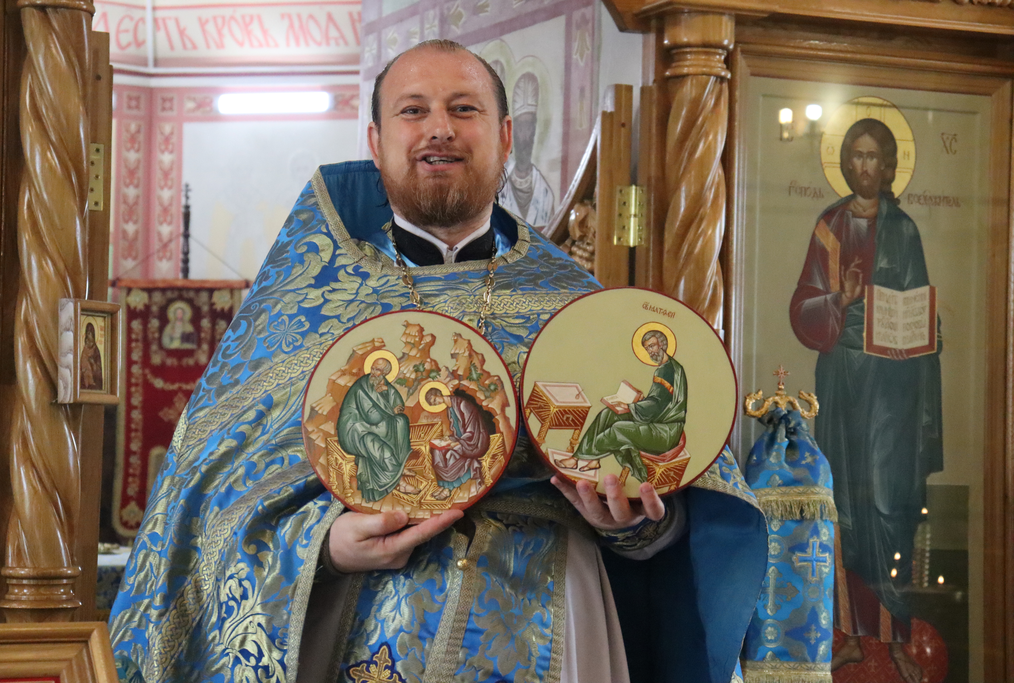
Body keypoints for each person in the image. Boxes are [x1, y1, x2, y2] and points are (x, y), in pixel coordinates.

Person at [110, 39, 767, 683]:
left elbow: (687, 507)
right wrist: (325, 546)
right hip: (359, 630)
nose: (439, 129)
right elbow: (214, 502)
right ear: (376, 142)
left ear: (505, 137)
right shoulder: (306, 305)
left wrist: (632, 527)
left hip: (551, 623)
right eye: (413, 110)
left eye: (464, 108)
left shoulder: (577, 306)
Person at [789, 118, 943, 683]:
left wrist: (928, 329)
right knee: (846, 506)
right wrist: (839, 299)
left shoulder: (904, 228)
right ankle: (852, 637)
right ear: (846, 162)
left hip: (894, 388)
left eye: (874, 157)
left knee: (889, 505)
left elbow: (919, 303)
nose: (864, 166)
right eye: (855, 155)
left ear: (889, 165)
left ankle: (897, 637)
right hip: (844, 383)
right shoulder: (829, 226)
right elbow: (802, 310)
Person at [561, 330, 688, 482]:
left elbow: (657, 405)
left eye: (652, 346)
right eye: (647, 348)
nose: (650, 351)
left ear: (662, 344)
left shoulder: (668, 371)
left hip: (665, 432)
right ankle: (588, 460)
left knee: (618, 429)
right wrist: (641, 400)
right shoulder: (666, 367)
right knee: (608, 414)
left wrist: (630, 406)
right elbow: (662, 401)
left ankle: (581, 458)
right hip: (656, 420)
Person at [336, 357, 416, 501]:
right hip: (354, 429)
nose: (373, 372)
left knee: (401, 421)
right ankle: (399, 479)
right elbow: (372, 417)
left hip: (370, 426)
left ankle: (399, 464)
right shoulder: (362, 387)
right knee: (377, 444)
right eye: (373, 368)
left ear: (385, 372)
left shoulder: (381, 382)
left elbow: (397, 402)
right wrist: (390, 409)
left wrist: (387, 392)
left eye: (377, 370)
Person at [498, 71, 555, 226]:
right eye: (521, 126)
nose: (526, 135)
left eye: (530, 125)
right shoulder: (496, 186)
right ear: (512, 130)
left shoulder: (545, 194)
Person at [424, 386, 492, 499]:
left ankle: (449, 488)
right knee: (436, 451)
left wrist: (457, 443)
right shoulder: (450, 408)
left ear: (438, 394)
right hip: (463, 440)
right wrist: (450, 439)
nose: (436, 404)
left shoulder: (462, 404)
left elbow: (472, 430)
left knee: (451, 453)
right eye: (434, 404)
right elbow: (457, 431)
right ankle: (443, 485)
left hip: (475, 442)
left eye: (435, 400)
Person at [80, 321, 104, 390]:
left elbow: (99, 370)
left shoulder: (96, 351)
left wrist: (93, 363)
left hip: (93, 384)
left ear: (93, 335)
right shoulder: (84, 350)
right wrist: (82, 371)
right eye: (87, 332)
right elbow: (80, 365)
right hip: (84, 383)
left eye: (90, 333)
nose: (89, 335)